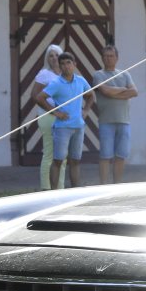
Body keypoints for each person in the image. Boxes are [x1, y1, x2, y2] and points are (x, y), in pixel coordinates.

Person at [36, 52, 93, 189]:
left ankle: (75, 192)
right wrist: (55, 112)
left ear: (74, 64)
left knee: (75, 161)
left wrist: (86, 110)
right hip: (62, 127)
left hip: (78, 126)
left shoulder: (81, 80)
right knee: (58, 161)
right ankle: (54, 194)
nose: (66, 66)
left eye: (68, 63)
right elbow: (40, 98)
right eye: (62, 64)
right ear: (60, 67)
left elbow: (91, 95)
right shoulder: (56, 83)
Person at [91, 43, 139, 184]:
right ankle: (103, 185)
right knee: (105, 156)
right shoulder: (98, 75)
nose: (108, 58)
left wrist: (113, 92)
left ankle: (117, 185)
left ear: (117, 58)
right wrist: (123, 90)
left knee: (121, 156)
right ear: (102, 58)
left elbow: (134, 92)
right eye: (105, 56)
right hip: (106, 121)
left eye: (111, 56)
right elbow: (105, 91)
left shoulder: (125, 74)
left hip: (124, 121)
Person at [31, 45, 63, 190]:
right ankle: (46, 188)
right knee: (49, 154)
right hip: (47, 116)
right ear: (47, 59)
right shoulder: (44, 74)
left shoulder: (65, 75)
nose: (54, 58)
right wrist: (52, 110)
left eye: (56, 55)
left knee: (62, 156)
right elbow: (35, 95)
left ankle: (60, 187)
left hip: (63, 118)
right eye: (51, 55)